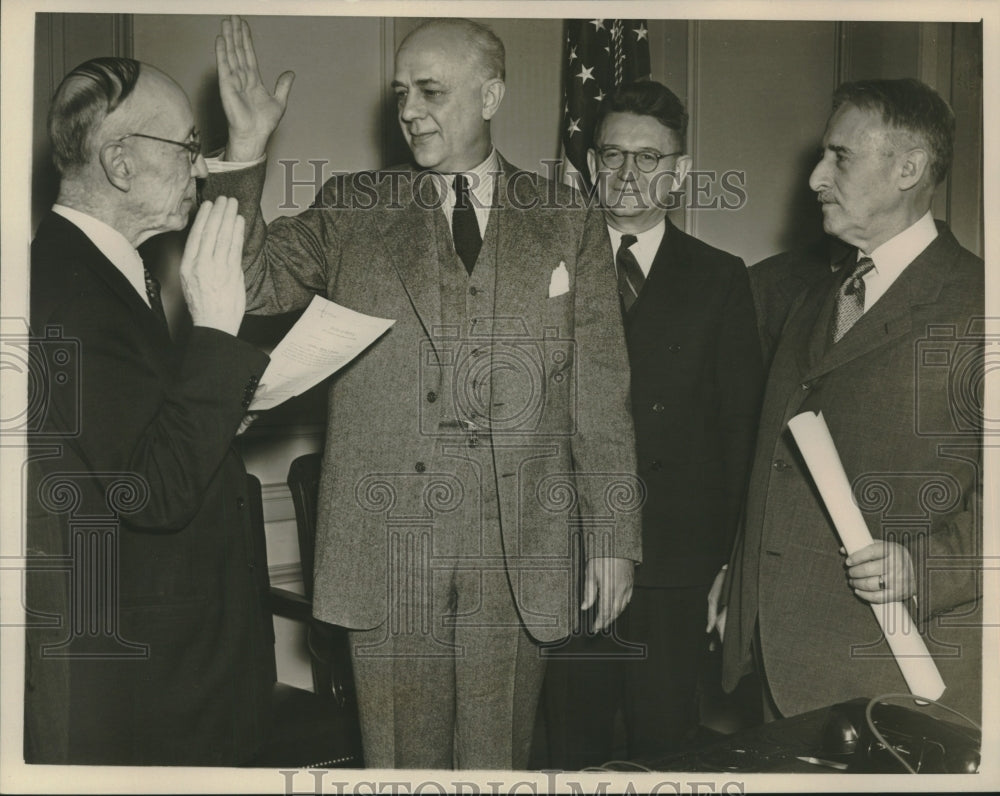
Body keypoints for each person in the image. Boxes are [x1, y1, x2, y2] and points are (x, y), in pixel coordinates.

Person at [206, 16, 641, 769]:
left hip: (520, 549)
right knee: (400, 770)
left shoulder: (568, 219)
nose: (409, 109)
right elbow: (248, 283)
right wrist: (246, 152)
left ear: (492, 93)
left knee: (496, 766)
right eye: (401, 92)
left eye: (431, 90)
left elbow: (600, 396)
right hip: (388, 548)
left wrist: (613, 537)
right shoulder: (353, 207)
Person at [710, 78, 983, 723]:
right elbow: (773, 462)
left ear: (908, 168)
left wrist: (926, 570)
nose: (814, 178)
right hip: (780, 663)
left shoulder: (979, 304)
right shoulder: (815, 298)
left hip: (896, 680)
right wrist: (740, 577)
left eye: (840, 156)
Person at [25, 57, 272, 764]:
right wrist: (218, 334)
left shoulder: (104, 270)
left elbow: (136, 438)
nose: (199, 169)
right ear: (120, 163)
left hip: (175, 654)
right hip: (146, 678)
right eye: (189, 148)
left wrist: (212, 400)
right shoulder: (68, 292)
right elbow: (152, 489)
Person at [543, 81, 764, 767]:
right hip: (567, 550)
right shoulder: (547, 265)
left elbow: (740, 428)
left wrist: (727, 562)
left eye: (648, 157)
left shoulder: (721, 278)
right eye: (612, 155)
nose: (628, 174)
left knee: (665, 748)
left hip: (673, 562)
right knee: (566, 746)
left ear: (680, 172)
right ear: (588, 165)